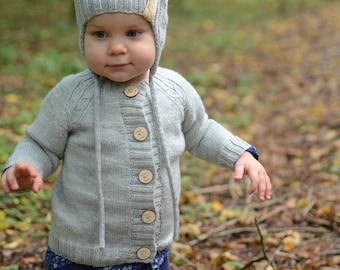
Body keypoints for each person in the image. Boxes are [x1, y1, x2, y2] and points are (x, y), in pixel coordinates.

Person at [1, 0, 272, 269]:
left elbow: (200, 131)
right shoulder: (72, 95)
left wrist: (240, 153)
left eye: (133, 33)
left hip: (153, 254)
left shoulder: (174, 90)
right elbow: (41, 144)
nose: (116, 48)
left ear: (158, 33)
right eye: (100, 34)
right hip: (82, 257)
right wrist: (26, 166)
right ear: (82, 37)